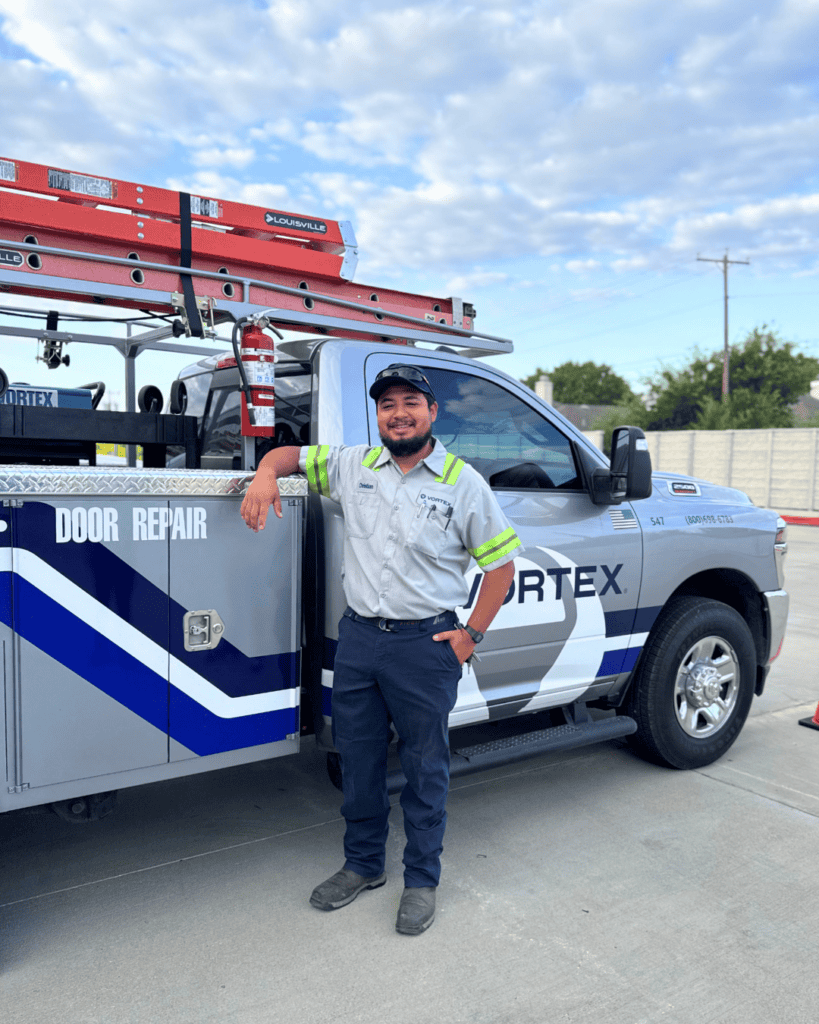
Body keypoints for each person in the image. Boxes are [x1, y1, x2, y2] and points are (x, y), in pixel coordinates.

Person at [240, 363, 521, 935]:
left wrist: (470, 637)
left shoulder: (463, 483)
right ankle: (364, 865)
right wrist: (263, 475)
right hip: (360, 641)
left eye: (410, 402)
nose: (398, 412)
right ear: (378, 416)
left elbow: (502, 570)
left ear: (432, 412)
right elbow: (286, 456)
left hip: (426, 645)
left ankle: (421, 880)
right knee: (359, 762)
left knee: (424, 769)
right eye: (387, 403)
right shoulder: (355, 466)